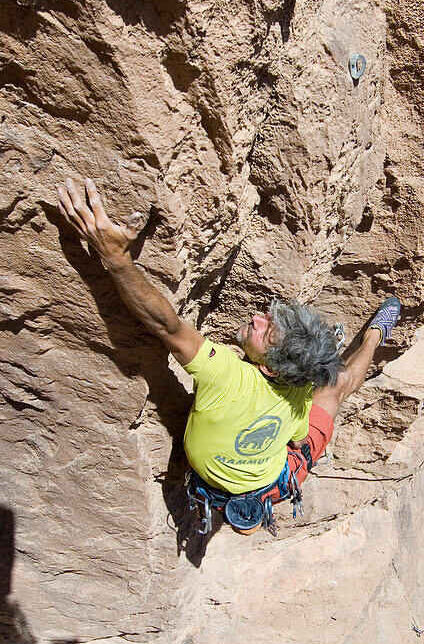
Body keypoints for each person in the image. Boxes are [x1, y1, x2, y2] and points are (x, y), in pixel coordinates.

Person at [56, 176, 401, 536]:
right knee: (335, 389)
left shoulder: (225, 374)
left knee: (337, 384)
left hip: (239, 476)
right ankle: (248, 516)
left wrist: (117, 259)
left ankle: (374, 335)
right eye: (268, 316)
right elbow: (298, 440)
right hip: (269, 480)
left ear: (269, 367)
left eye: (264, 331)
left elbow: (168, 325)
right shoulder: (298, 390)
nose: (256, 317)